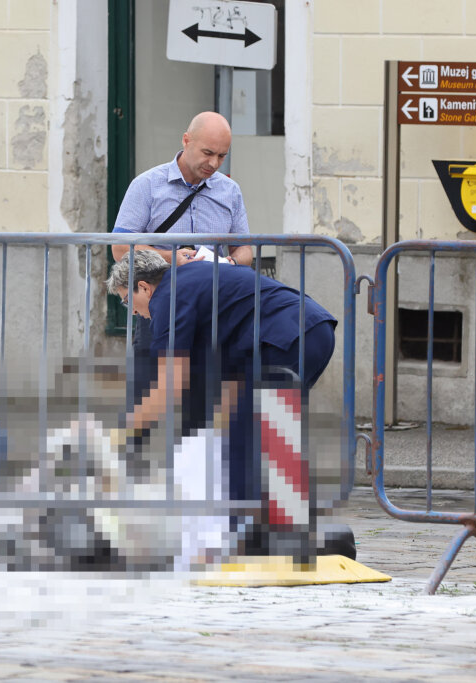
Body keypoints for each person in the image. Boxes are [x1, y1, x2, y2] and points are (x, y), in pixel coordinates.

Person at [105, 250, 338, 551]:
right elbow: (229, 377)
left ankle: (245, 535)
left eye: (127, 300)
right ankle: (282, 528)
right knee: (264, 433)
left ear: (144, 287)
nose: (132, 312)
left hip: (288, 337)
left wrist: (120, 434)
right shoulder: (191, 282)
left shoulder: (168, 297)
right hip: (308, 331)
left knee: (245, 436)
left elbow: (170, 385)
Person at [112, 111, 253, 403]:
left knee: (203, 398)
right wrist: (172, 258)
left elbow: (245, 250)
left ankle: (196, 446)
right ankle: (135, 447)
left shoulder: (230, 192)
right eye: (207, 153)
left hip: (209, 306)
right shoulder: (147, 185)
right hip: (158, 303)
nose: (213, 163)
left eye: (222, 156)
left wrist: (231, 264)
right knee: (144, 392)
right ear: (186, 141)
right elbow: (120, 247)